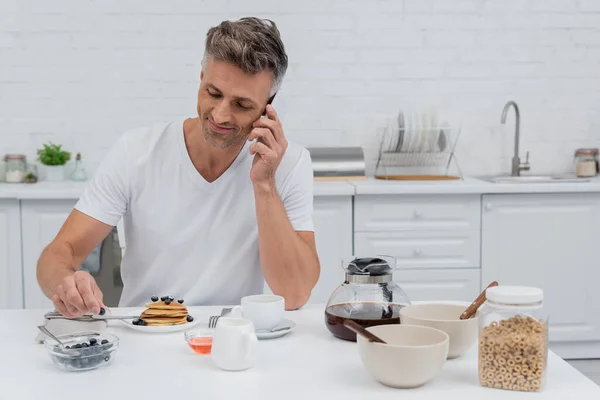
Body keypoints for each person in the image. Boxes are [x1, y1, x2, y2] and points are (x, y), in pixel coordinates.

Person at [36, 17, 320, 317]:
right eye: (213, 93)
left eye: (242, 104)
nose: (221, 115)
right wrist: (66, 283)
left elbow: (294, 294)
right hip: (145, 332)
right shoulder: (136, 152)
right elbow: (57, 254)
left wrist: (265, 185)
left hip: (231, 338)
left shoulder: (288, 164)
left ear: (268, 104)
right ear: (201, 77)